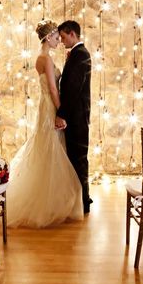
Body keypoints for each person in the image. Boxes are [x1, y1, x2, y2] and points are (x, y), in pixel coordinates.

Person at [7, 20, 83, 228]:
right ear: (48, 38)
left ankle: (51, 198)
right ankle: (51, 202)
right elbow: (52, 87)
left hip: (44, 106)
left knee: (48, 148)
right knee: (52, 149)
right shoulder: (46, 60)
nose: (59, 41)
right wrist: (61, 112)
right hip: (50, 106)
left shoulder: (40, 58)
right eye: (57, 38)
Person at [55, 20, 92, 214]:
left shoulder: (80, 55)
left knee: (78, 159)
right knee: (76, 158)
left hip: (76, 117)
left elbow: (72, 90)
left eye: (62, 37)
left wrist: (61, 114)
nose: (61, 41)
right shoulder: (78, 55)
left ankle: (83, 203)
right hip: (77, 115)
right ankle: (81, 198)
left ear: (72, 34)